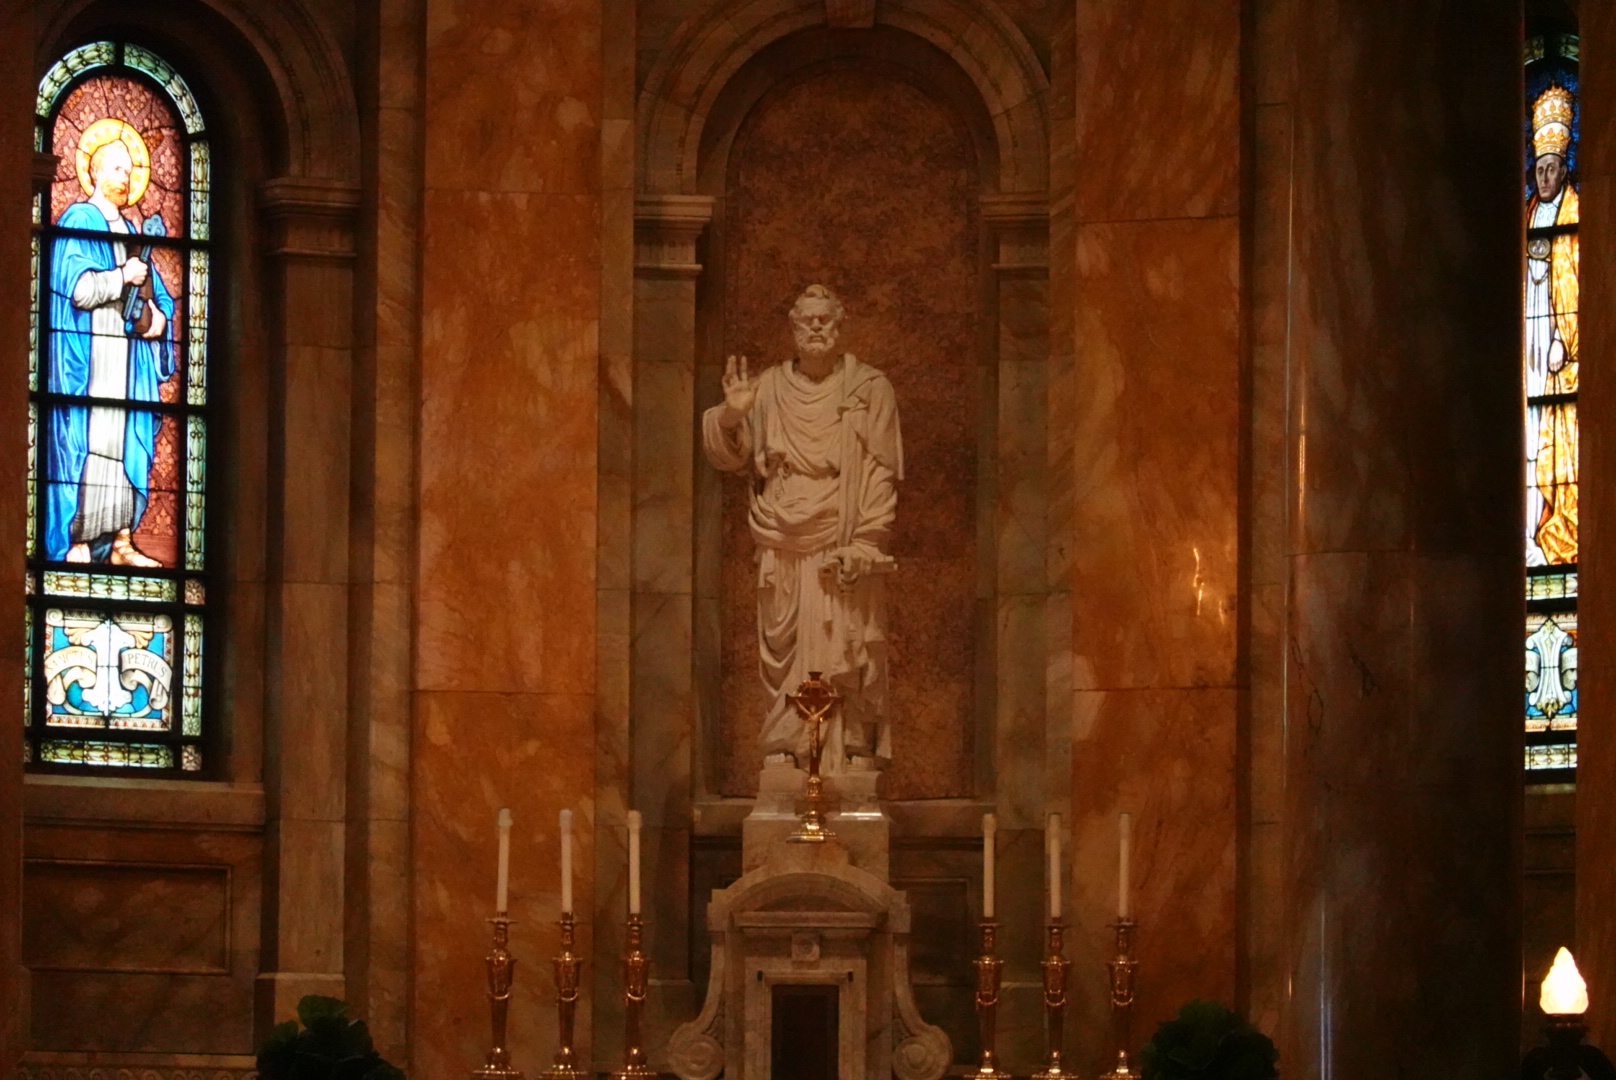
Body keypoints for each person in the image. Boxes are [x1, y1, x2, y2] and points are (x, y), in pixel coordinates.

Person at [702, 284, 903, 771]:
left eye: (824, 320)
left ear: (840, 326)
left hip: (842, 534)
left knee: (847, 638)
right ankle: (789, 747)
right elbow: (726, 453)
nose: (816, 327)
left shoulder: (869, 389)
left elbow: (881, 468)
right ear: (792, 330)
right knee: (784, 641)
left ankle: (852, 748)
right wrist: (733, 412)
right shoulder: (768, 388)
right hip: (782, 534)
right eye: (806, 320)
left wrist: (866, 540)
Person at [47, 119, 174, 567]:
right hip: (89, 359)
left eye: (130, 171)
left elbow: (156, 302)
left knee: (122, 444)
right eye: (118, 169)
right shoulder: (79, 220)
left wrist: (155, 321)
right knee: (90, 443)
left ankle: (121, 542)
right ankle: (77, 540)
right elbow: (76, 290)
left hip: (126, 366)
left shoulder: (133, 235)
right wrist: (122, 277)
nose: (126, 178)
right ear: (96, 171)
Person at [1525, 83, 1578, 567]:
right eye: (1538, 169)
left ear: (1564, 170)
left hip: (1557, 351)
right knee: (1524, 426)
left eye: (1552, 168)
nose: (1544, 176)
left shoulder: (1577, 215)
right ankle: (1523, 531)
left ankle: (1552, 528)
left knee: (1552, 434)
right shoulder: (1520, 216)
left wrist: (1567, 337)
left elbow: (1583, 283)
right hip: (1523, 346)